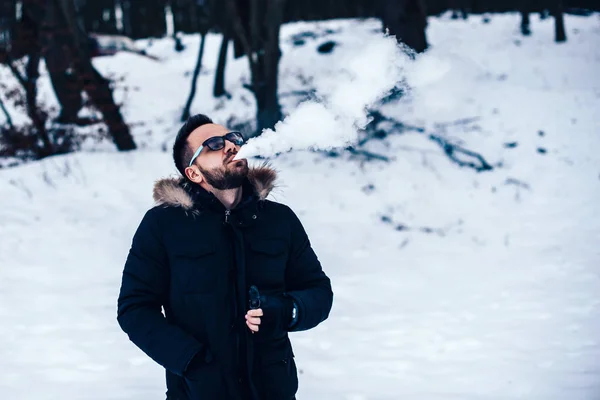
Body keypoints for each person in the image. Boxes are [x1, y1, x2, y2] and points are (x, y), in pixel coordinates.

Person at [116, 114, 333, 400]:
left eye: (233, 138)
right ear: (193, 173)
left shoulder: (279, 220)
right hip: (200, 392)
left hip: (273, 390)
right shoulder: (163, 225)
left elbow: (317, 290)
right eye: (214, 144)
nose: (230, 145)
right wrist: (192, 362)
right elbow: (135, 309)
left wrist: (289, 311)